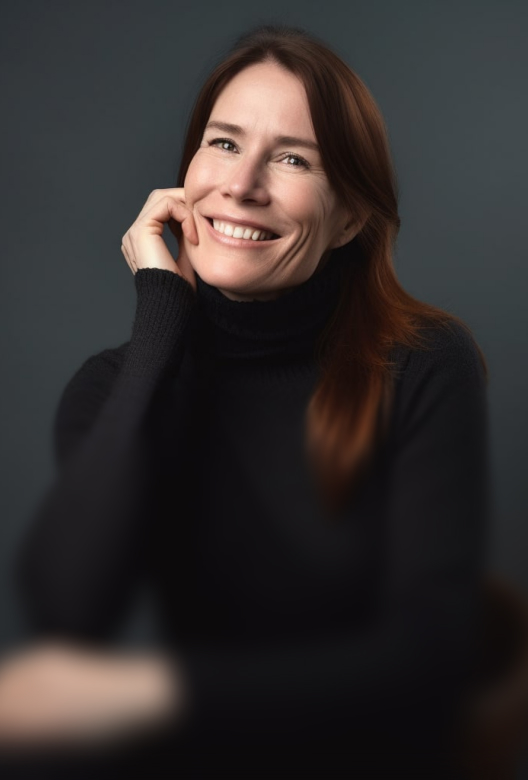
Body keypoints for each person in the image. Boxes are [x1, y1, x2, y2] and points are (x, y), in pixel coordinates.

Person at [0, 22, 491, 778]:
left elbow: (430, 656)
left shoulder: (423, 363)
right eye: (224, 143)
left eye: (293, 158)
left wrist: (150, 693)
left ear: (350, 218)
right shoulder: (116, 384)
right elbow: (69, 607)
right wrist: (161, 315)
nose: (241, 184)